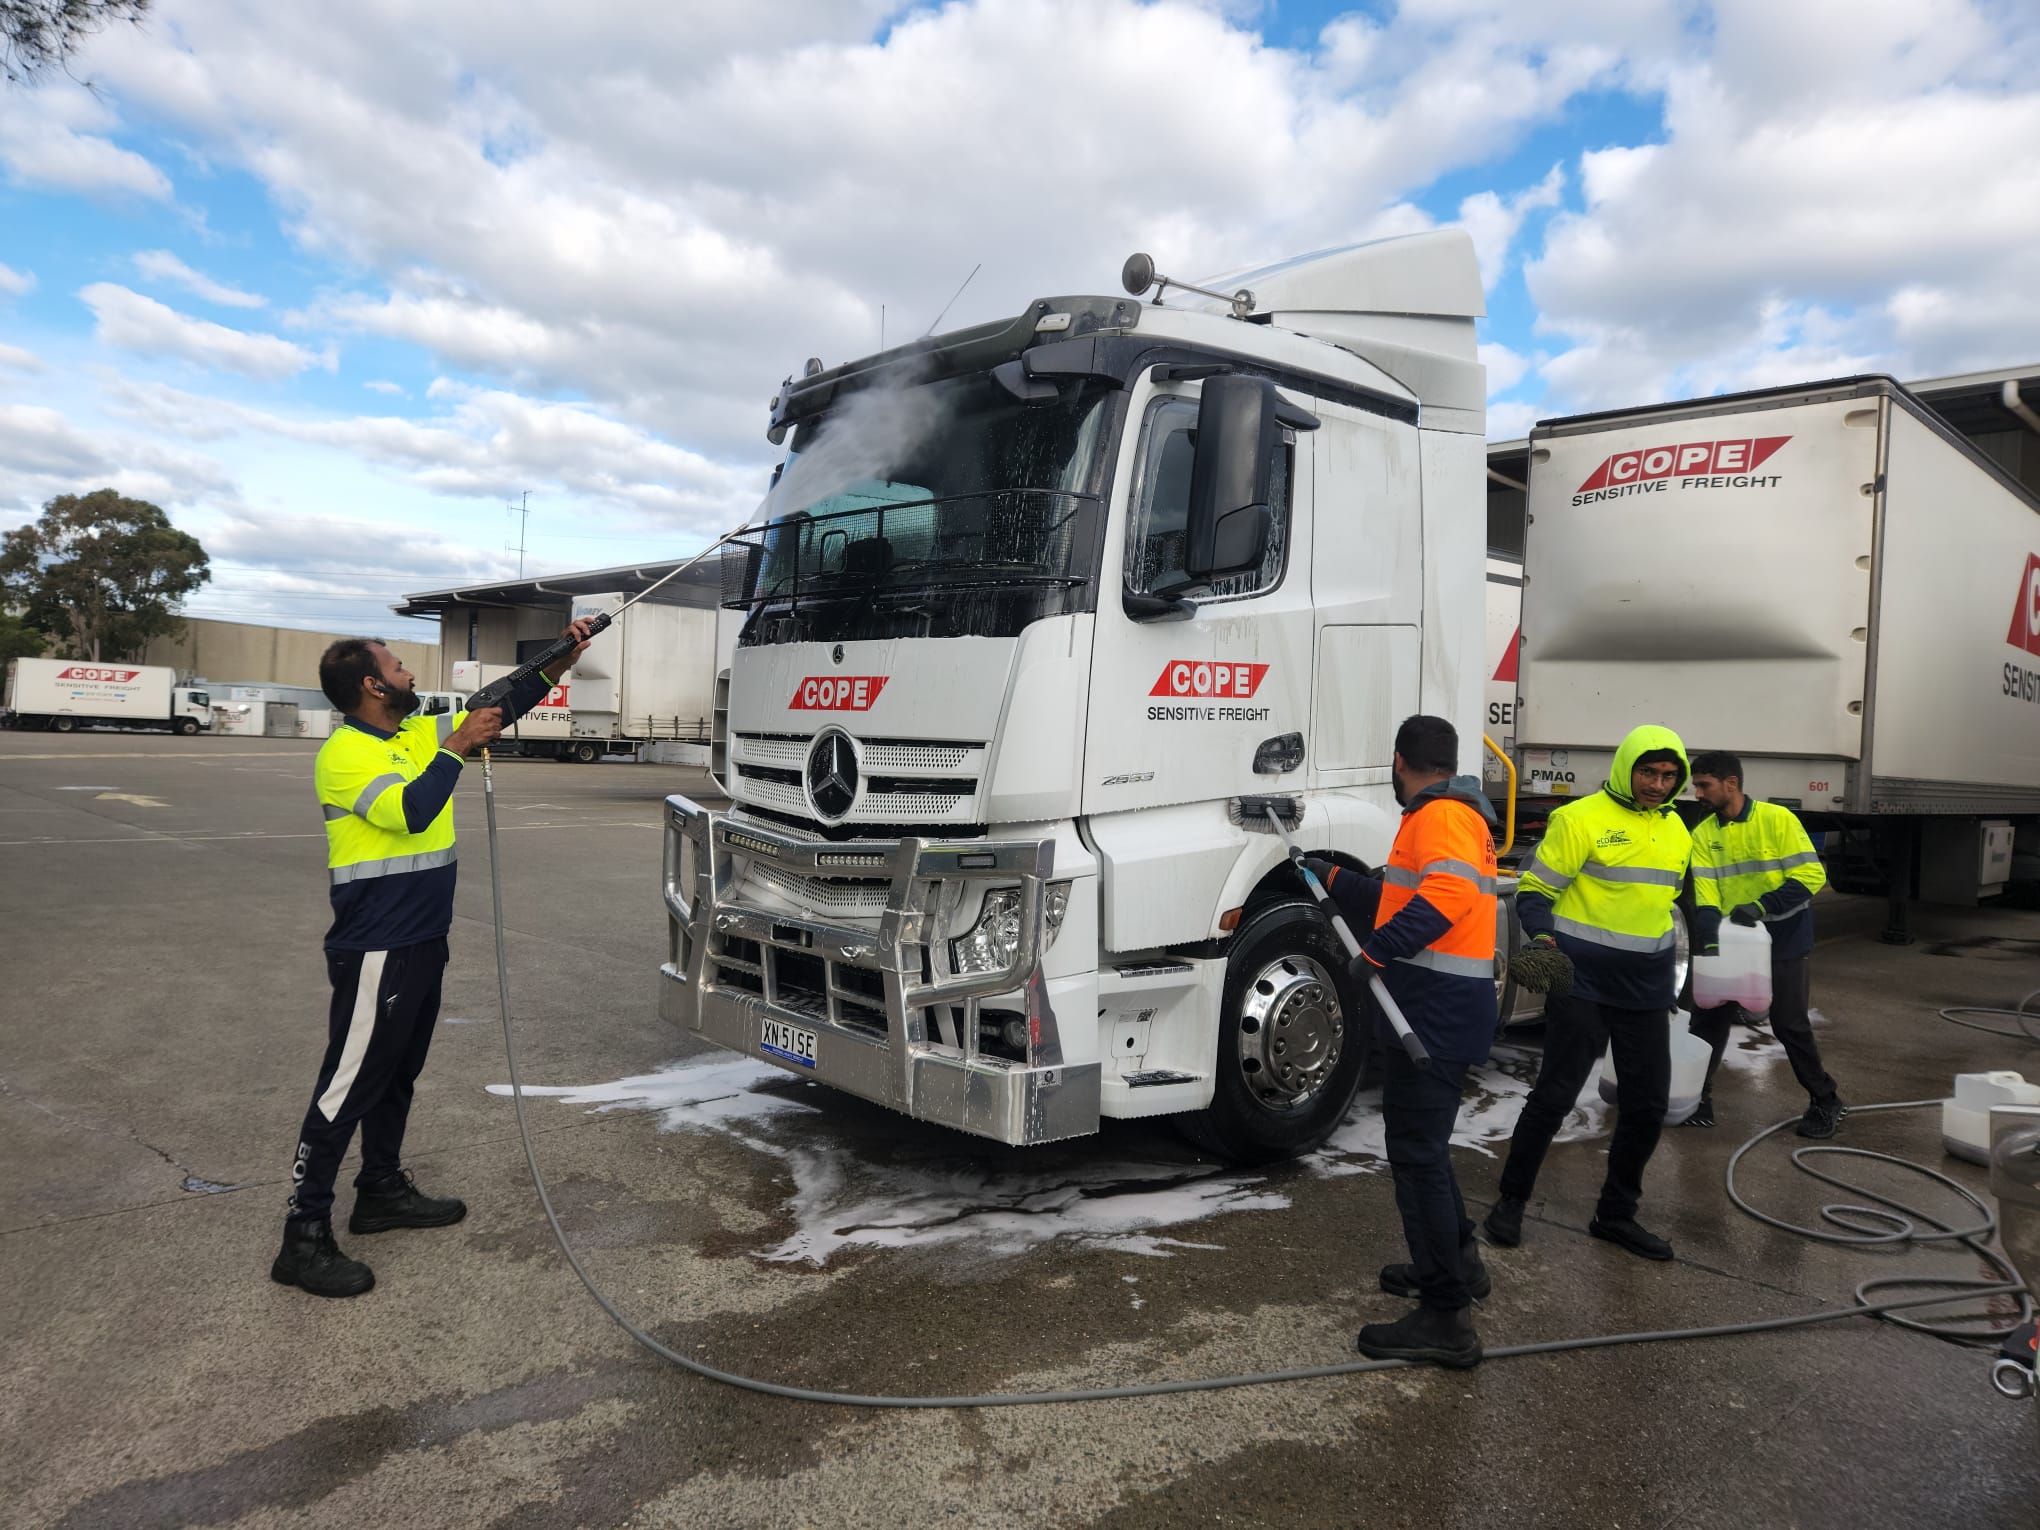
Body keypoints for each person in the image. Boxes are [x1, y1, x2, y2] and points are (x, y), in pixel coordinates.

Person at [270, 622, 592, 1298]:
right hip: (375, 944)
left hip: (422, 937)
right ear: (370, 684)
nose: (409, 671)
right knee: (347, 1084)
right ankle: (302, 1236)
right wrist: (456, 747)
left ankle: (380, 1188)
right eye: (396, 664)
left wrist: (559, 656)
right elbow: (414, 812)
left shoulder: (412, 732)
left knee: (396, 1074)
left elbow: (500, 701)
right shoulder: (346, 754)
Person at [1310, 715, 1499, 1369]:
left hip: (1433, 1018)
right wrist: (1331, 879)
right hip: (1442, 1013)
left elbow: (1443, 899)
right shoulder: (1449, 814)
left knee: (1416, 1157)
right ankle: (1459, 1262)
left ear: (1398, 762)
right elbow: (1398, 896)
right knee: (1427, 1149)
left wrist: (1376, 955)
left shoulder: (1440, 817)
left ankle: (1446, 1318)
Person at [1486, 725, 1692, 1262]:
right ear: (1627, 767)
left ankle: (1616, 1215)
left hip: (1645, 989)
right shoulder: (1579, 819)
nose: (1657, 783)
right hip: (1581, 983)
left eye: (1669, 775)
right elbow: (1534, 892)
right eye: (1648, 772)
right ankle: (1510, 1200)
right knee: (1555, 1096)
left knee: (1646, 1106)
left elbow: (1662, 906)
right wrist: (1547, 942)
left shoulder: (1678, 831)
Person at [1683, 750, 1846, 1137]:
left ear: (1731, 784)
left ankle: (1826, 1101)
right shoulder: (1704, 833)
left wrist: (1762, 905)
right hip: (1734, 938)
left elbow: (1811, 875)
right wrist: (1707, 932)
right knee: (1708, 1017)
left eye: (1704, 785)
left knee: (1788, 1022)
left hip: (1784, 934)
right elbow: (1705, 890)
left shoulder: (1777, 820)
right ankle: (1697, 1099)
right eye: (1696, 785)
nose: (1698, 793)